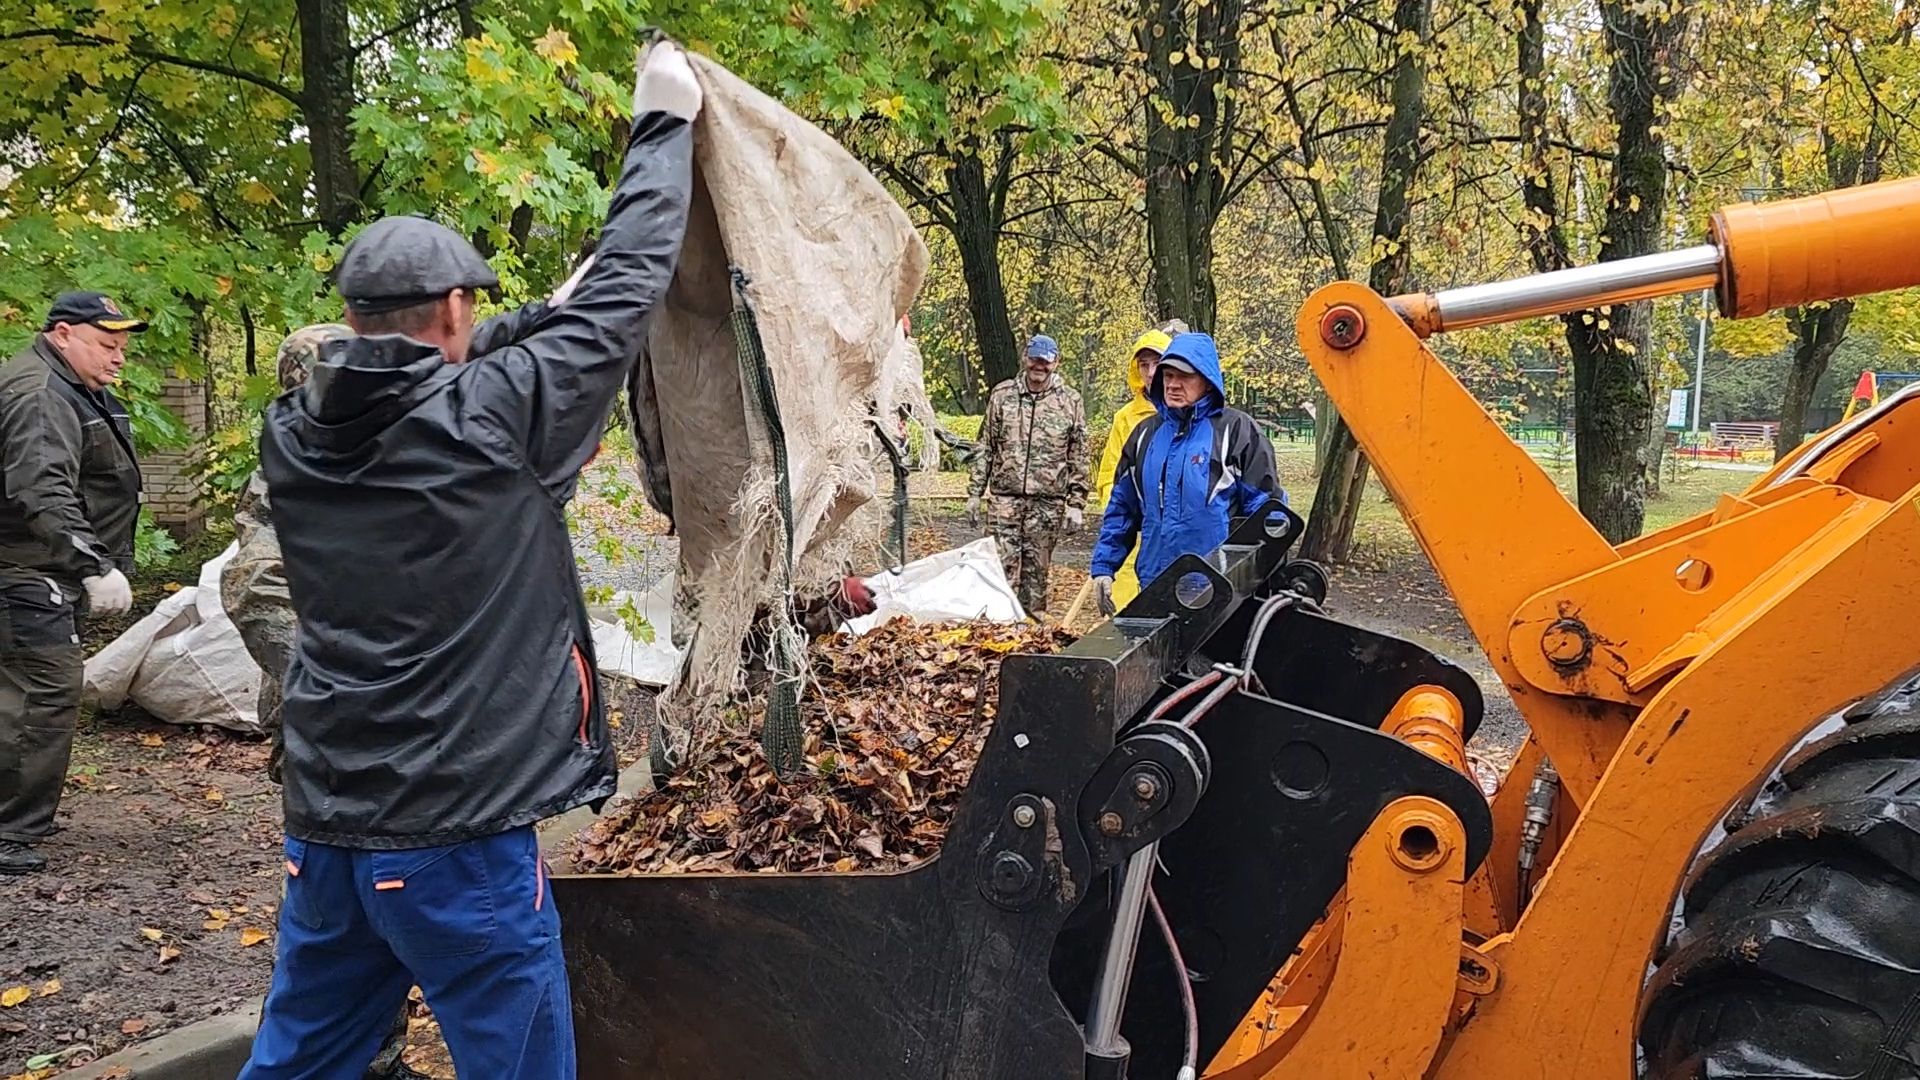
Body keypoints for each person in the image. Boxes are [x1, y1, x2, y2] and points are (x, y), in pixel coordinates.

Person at [237, 41, 699, 1080]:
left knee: (303, 1059)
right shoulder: (490, 416)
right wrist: (663, 124)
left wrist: (540, 315)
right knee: (521, 1060)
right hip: (455, 843)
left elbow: (440, 365)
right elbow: (627, 289)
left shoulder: (296, 432)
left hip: (331, 827)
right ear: (452, 312)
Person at [0, 291, 144, 875]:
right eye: (107, 345)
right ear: (63, 334)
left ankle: (16, 812)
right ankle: (9, 828)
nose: (118, 359)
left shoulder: (69, 386)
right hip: (28, 570)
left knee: (28, 692)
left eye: (122, 348)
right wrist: (92, 563)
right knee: (43, 692)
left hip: (43, 568)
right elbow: (42, 489)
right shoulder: (39, 394)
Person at [1090, 331, 1282, 615]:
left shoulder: (1236, 431)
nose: (1173, 385)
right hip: (1156, 583)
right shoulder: (1144, 436)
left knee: (1215, 660)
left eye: (1184, 377)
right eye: (1167, 376)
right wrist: (1104, 567)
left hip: (1219, 588)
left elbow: (1268, 513)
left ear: (1206, 380)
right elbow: (1122, 509)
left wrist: (1265, 577)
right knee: (1159, 659)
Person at [966, 334, 1089, 617]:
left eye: (1045, 362)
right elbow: (985, 446)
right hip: (1004, 501)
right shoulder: (1002, 395)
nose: (1039, 366)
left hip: (1048, 504)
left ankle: (1032, 639)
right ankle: (996, 634)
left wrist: (1076, 503)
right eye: (1034, 359)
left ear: (1055, 363)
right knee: (998, 570)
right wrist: (974, 493)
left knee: (1036, 578)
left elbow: (1079, 455)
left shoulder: (1069, 401)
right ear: (1025, 358)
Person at [1093, 323, 1184, 610]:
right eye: (1143, 364)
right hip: (1139, 535)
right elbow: (1111, 477)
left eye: (1157, 362)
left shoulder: (1190, 415)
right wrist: (1126, 517)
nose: (1150, 371)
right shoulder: (1126, 419)